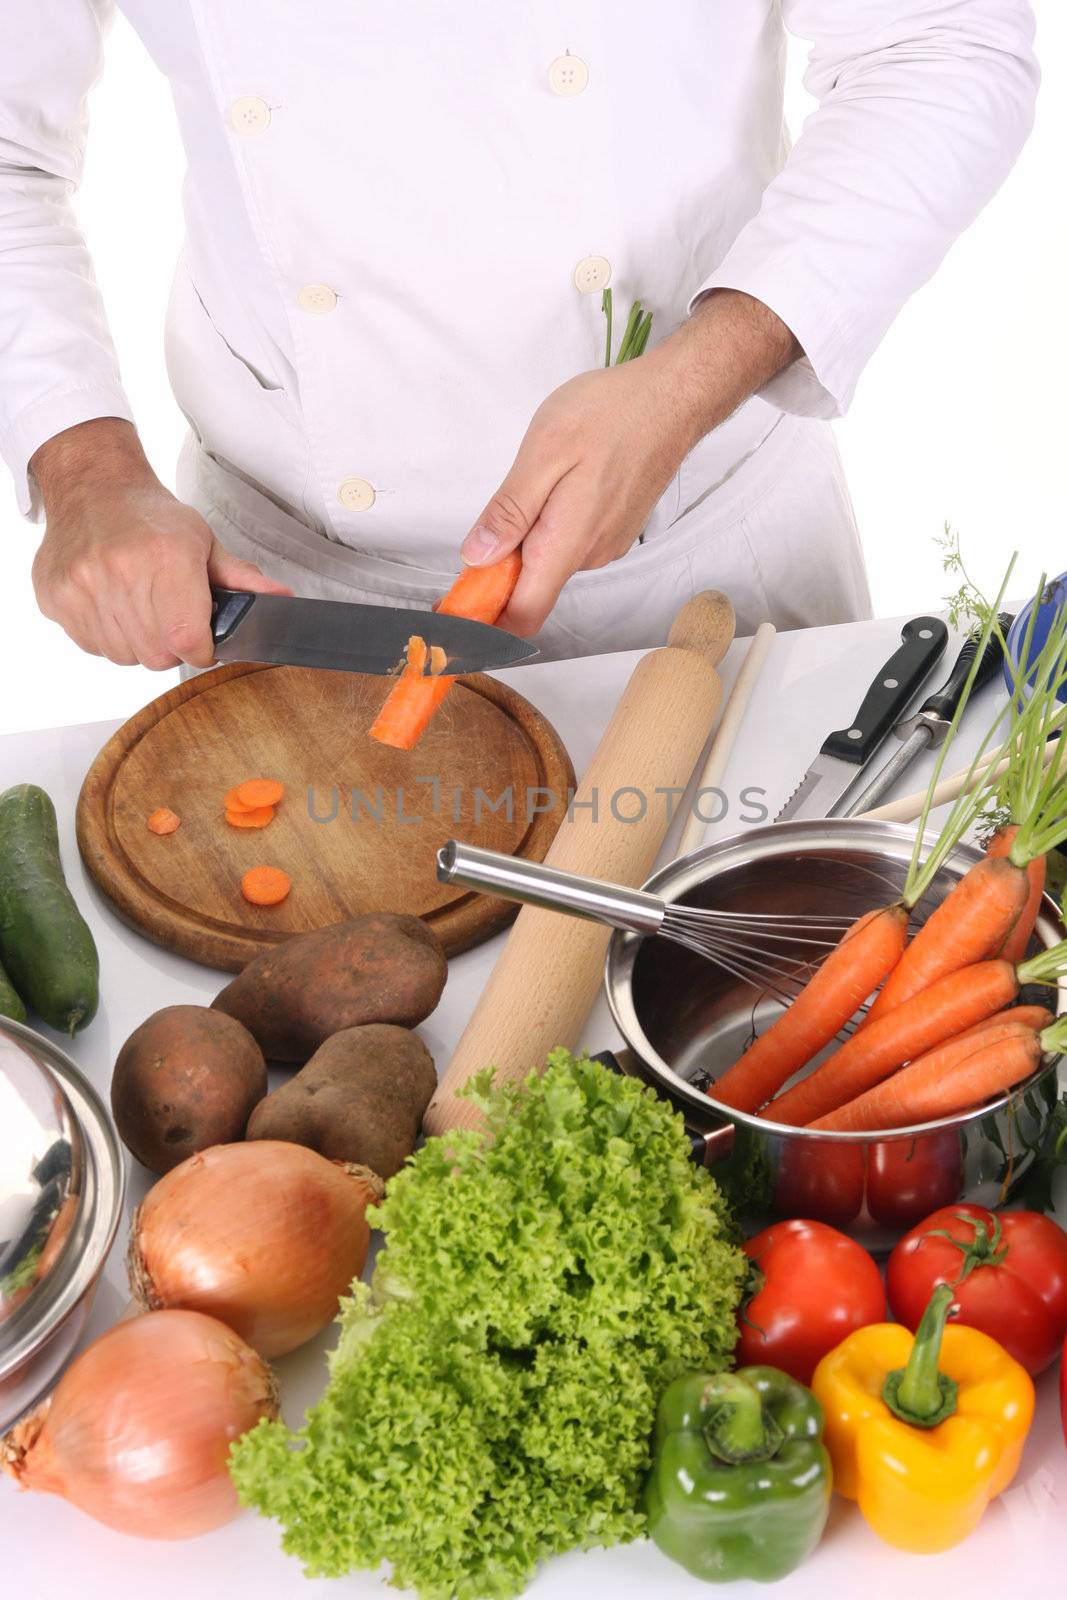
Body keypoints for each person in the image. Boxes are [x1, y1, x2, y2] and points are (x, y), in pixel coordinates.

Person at [1, 3, 1038, 667]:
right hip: (290, 593)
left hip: (710, 568)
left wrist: (687, 383)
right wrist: (86, 471)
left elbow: (938, 42)